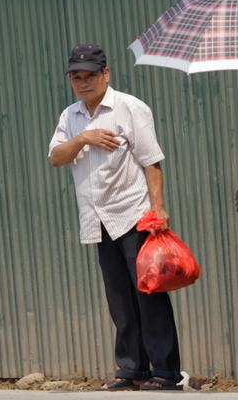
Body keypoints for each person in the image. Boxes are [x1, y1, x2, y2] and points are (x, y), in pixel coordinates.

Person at [48, 43, 183, 392]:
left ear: (106, 74)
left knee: (148, 294)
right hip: (96, 219)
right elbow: (56, 157)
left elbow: (151, 162)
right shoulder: (70, 117)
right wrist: (84, 138)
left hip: (133, 214)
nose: (83, 82)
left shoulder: (130, 108)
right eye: (76, 77)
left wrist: (159, 209)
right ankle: (131, 370)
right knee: (119, 298)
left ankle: (165, 372)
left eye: (90, 75)